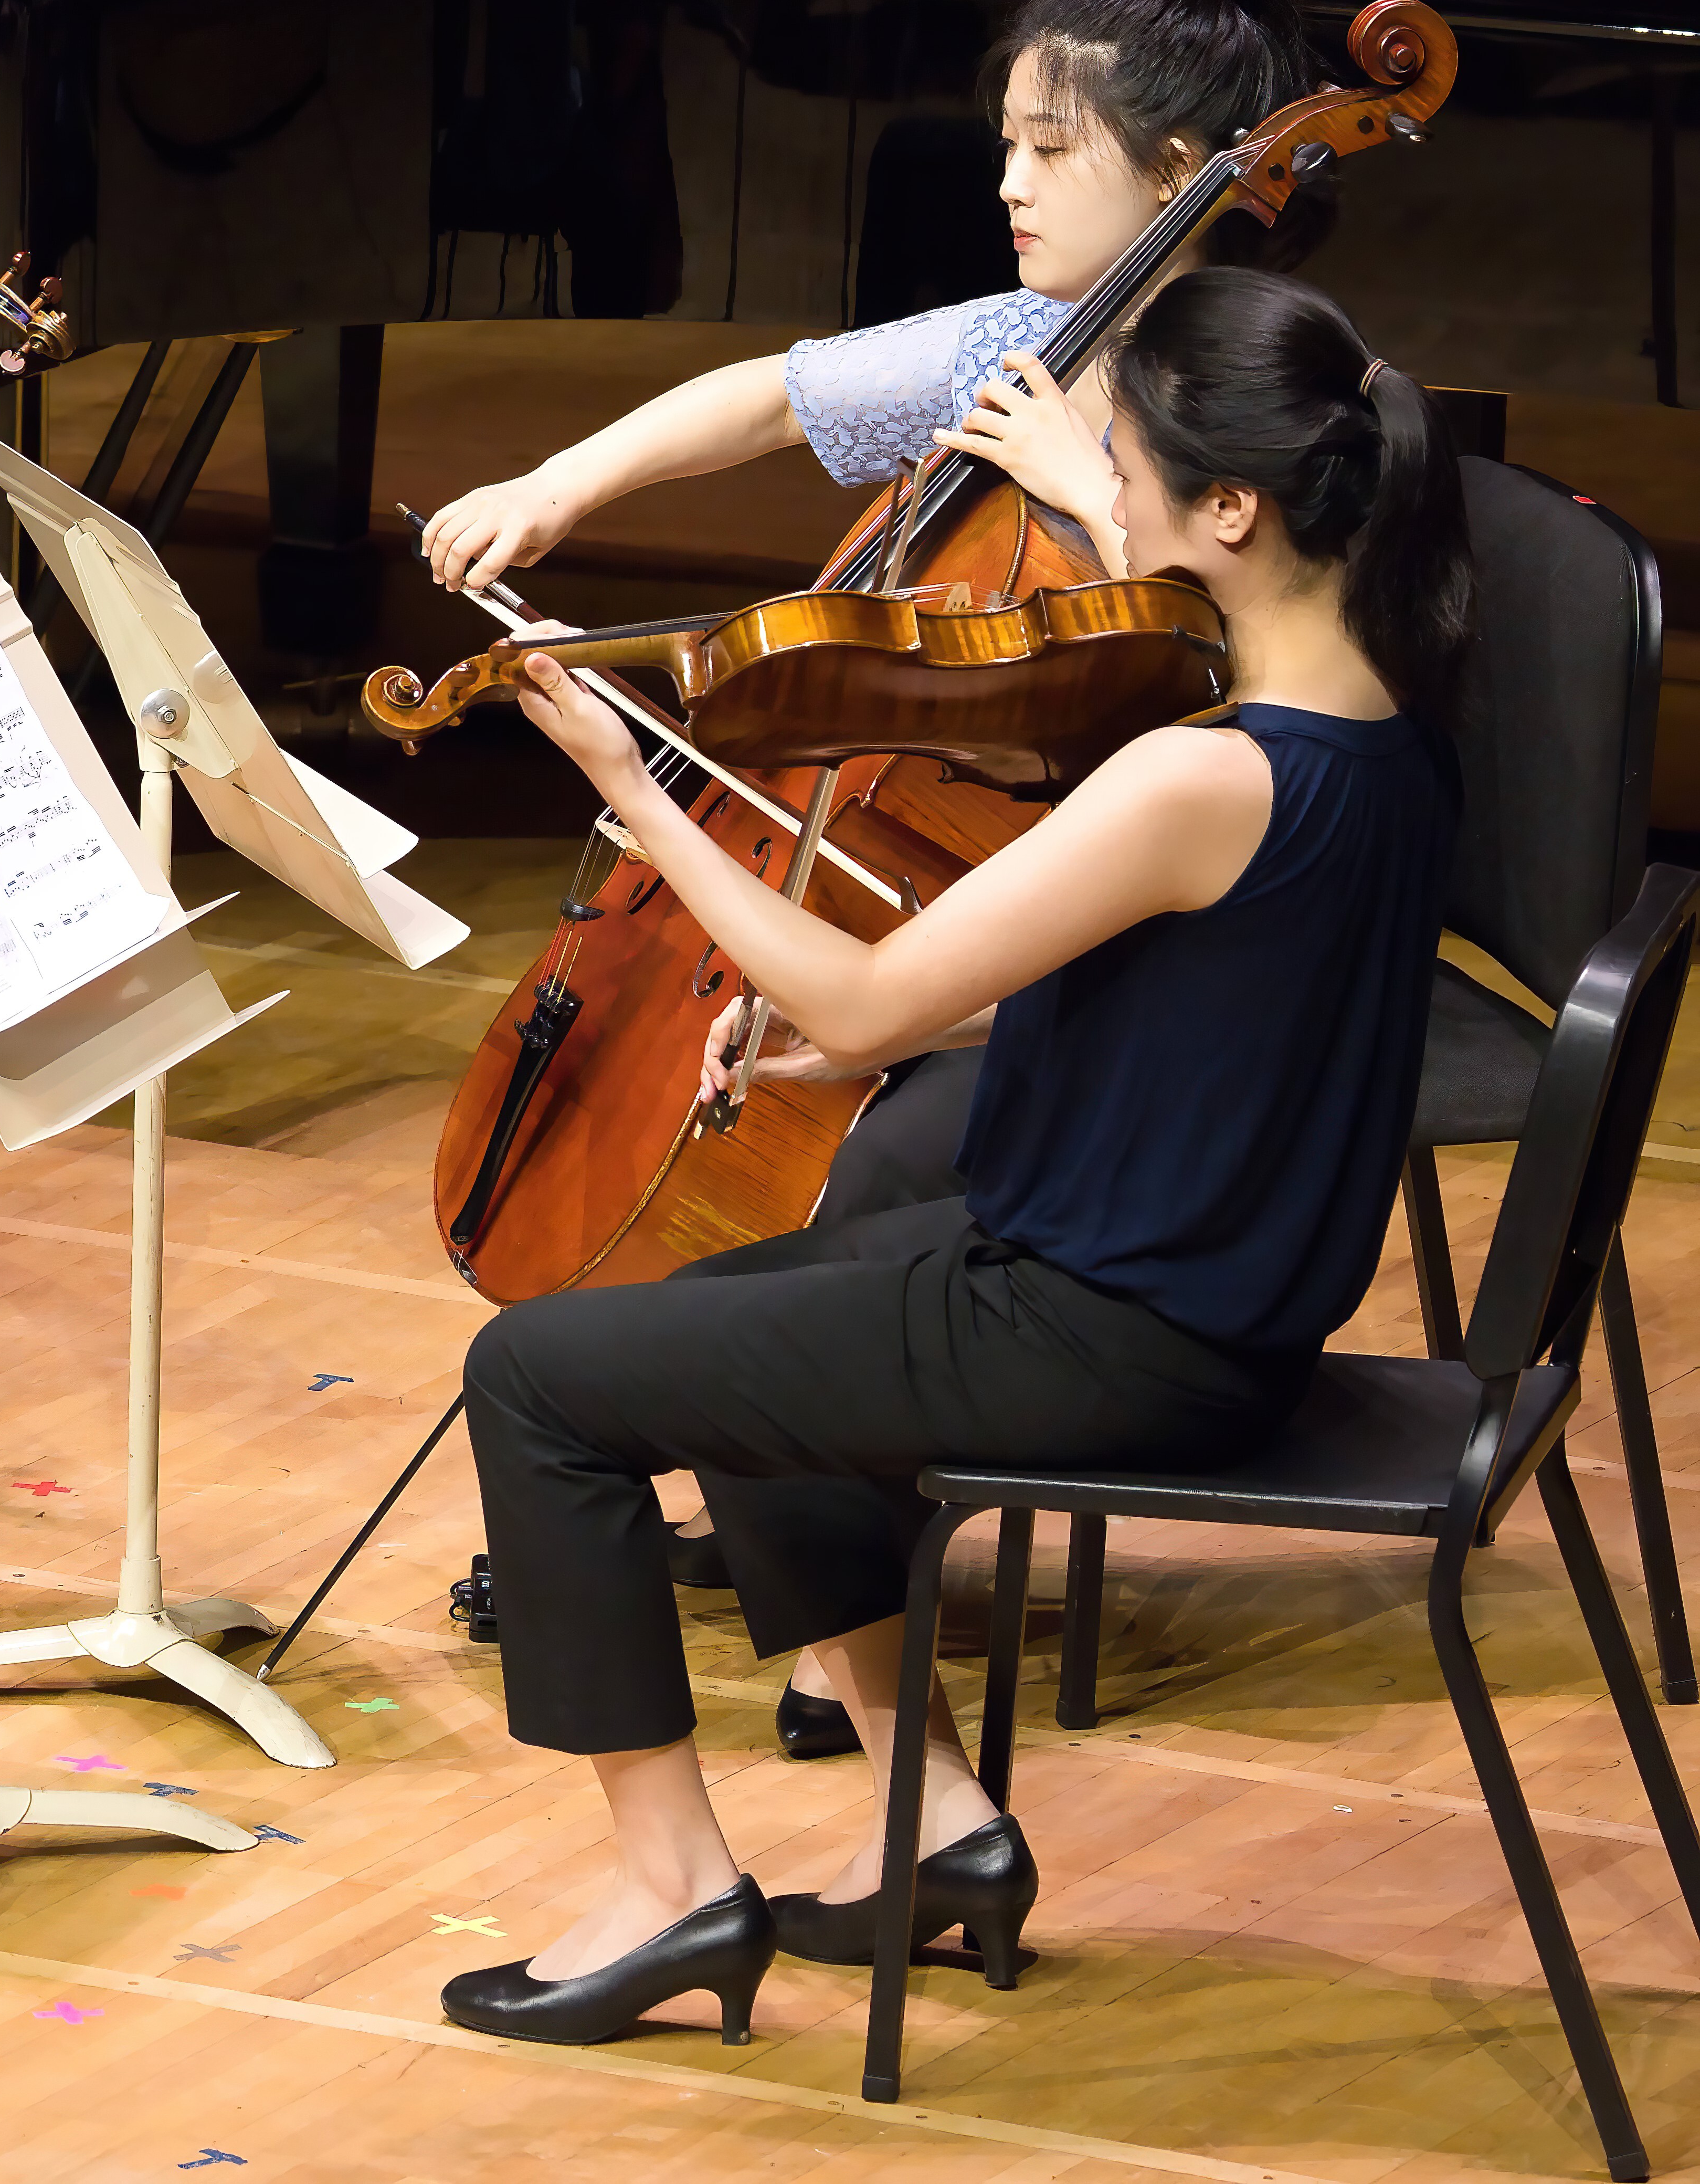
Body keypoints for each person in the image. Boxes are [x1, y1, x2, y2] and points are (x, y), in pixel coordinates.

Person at [428, 264, 1468, 2048]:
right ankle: (948, 1833)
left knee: (531, 1376)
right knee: (724, 1321)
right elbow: (1186, 1000)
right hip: (1184, 1311)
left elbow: (869, 987)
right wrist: (861, 1026)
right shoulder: (1382, 733)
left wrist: (643, 789)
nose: (1096, 496)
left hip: (1104, 1331)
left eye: (1119, 464)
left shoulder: (1194, 776)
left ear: (1228, 511)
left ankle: (669, 1890)